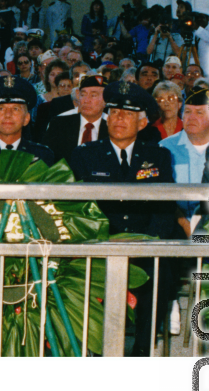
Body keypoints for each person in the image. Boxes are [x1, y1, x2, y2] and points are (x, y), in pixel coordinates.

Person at [71, 80, 176, 356]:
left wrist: (148, 243)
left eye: (128, 114)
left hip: (145, 245)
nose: (119, 119)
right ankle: (92, 351)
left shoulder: (158, 156)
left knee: (160, 271)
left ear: (142, 124)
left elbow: (165, 207)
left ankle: (142, 352)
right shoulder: (84, 156)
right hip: (99, 246)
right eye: (115, 112)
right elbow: (76, 209)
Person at [159, 85, 209, 237]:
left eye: (199, 113)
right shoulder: (165, 148)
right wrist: (184, 224)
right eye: (188, 112)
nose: (191, 117)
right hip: (175, 229)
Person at [0, 76, 54, 165]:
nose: (8, 114)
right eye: (1, 109)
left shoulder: (42, 155)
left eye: (15, 109)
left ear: (26, 119)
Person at [42, 74, 108, 163]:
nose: (86, 100)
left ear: (106, 100)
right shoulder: (59, 124)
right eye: (83, 94)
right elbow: (45, 159)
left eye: (93, 95)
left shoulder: (112, 129)